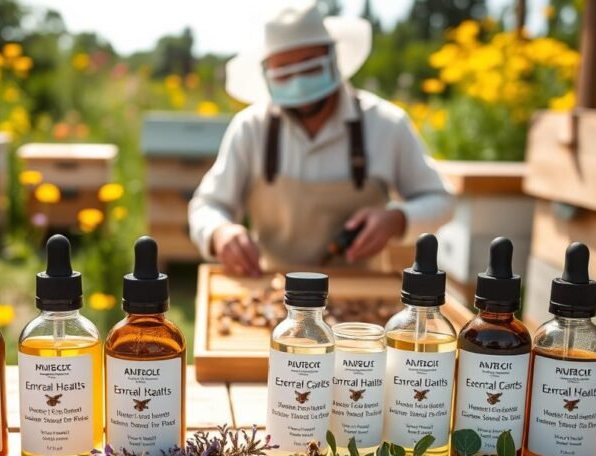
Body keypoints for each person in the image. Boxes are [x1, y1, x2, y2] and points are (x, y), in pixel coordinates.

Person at [188, 0, 454, 276]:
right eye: (284, 73)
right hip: (272, 286)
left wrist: (397, 219)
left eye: (309, 67)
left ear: (333, 58)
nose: (298, 82)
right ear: (267, 74)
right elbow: (207, 206)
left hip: (359, 289)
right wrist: (220, 232)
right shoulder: (251, 128)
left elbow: (441, 200)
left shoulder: (386, 124)